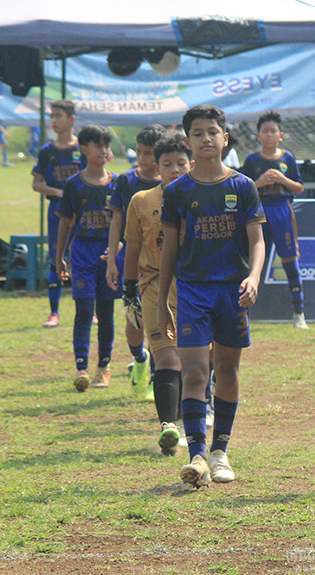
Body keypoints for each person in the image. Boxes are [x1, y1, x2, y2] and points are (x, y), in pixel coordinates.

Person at [158, 104, 266, 487]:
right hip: (191, 292)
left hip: (231, 293)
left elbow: (257, 240)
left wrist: (253, 277)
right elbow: (169, 251)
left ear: (224, 137)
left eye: (212, 132)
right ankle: (197, 455)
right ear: (189, 140)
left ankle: (221, 450)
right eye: (198, 133)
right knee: (195, 372)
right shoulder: (177, 192)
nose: (206, 138)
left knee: (227, 371)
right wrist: (161, 306)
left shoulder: (242, 186)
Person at [122, 131, 194, 455]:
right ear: (157, 166)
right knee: (166, 354)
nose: (175, 169)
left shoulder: (201, 198)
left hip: (194, 287)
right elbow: (133, 247)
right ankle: (169, 426)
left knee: (196, 358)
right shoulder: (141, 201)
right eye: (167, 164)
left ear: (190, 164)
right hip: (154, 287)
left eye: (181, 163)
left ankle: (195, 410)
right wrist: (128, 290)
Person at [55, 125, 121, 392]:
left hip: (108, 254)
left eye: (106, 146)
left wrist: (119, 251)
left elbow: (124, 222)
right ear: (83, 149)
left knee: (105, 312)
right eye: (98, 146)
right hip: (82, 253)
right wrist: (59, 256)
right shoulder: (74, 185)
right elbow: (65, 223)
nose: (104, 151)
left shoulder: (118, 184)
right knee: (84, 310)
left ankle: (103, 367)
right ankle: (81, 367)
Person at [106, 125, 166, 396]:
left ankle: (157, 373)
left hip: (161, 264)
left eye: (149, 153)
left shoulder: (171, 181)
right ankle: (140, 359)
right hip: (133, 262)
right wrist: (111, 259)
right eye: (140, 152)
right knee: (134, 321)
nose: (143, 159)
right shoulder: (126, 182)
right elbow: (117, 221)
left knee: (158, 322)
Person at [241, 111, 308, 328]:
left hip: (282, 211)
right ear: (258, 136)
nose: (269, 135)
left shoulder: (287, 158)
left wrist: (281, 179)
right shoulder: (252, 160)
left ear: (280, 135)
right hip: (258, 212)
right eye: (265, 131)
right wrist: (258, 182)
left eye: (273, 131)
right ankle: (243, 314)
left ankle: (299, 315)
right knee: (252, 262)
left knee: (290, 259)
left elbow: (299, 187)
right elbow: (243, 189)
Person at [31, 100, 86, 328]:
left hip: (83, 212)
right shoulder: (47, 151)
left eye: (58, 116)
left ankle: (87, 310)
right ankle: (54, 312)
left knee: (83, 258)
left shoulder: (83, 147)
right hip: (57, 212)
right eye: (51, 116)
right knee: (57, 258)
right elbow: (36, 184)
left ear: (71, 119)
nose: (53, 120)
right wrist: (57, 192)